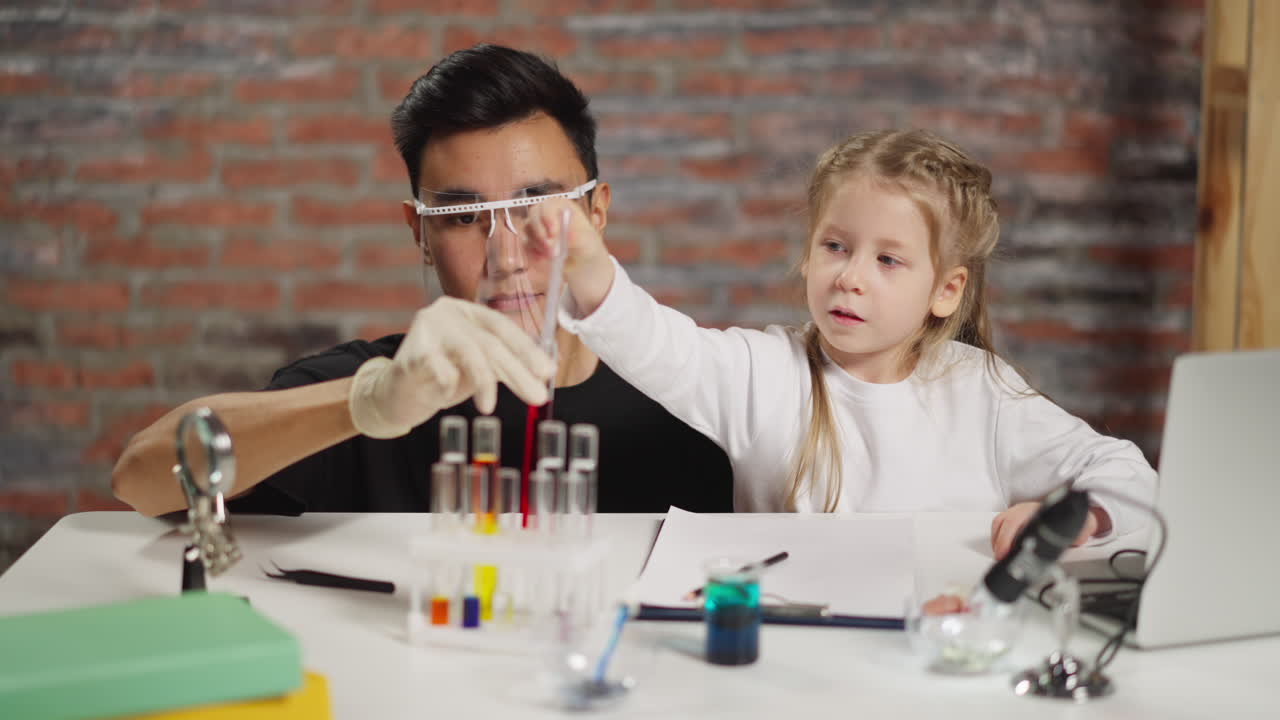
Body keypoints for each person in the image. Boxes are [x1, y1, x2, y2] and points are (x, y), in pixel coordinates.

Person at [112, 44, 734, 517]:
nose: (507, 255)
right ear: (421, 234)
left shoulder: (693, 391)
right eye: (462, 216)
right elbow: (141, 476)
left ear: (596, 213)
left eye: (534, 208)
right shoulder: (376, 390)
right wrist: (368, 402)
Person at [525, 128, 1156, 558]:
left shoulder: (982, 393)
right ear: (808, 254)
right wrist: (588, 269)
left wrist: (1070, 520)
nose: (850, 276)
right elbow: (662, 346)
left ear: (946, 289)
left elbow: (1127, 473)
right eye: (836, 247)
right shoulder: (765, 374)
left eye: (888, 260)